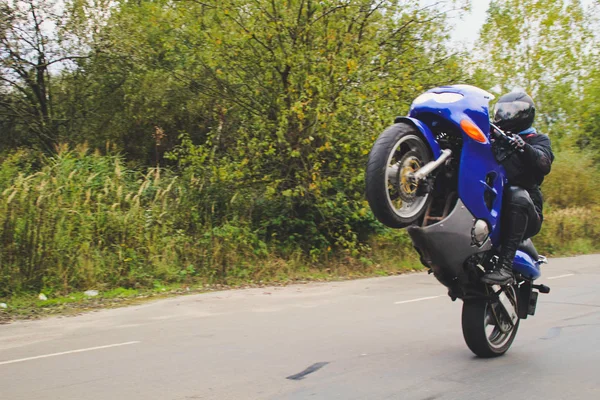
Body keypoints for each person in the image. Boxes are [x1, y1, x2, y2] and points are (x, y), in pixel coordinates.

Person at [481, 91, 554, 285]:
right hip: (494, 205)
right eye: (502, 111)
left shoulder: (537, 139)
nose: (505, 115)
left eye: (511, 111)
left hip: (529, 212)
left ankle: (504, 267)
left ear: (525, 114)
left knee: (517, 194)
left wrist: (523, 147)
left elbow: (544, 163)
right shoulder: (494, 138)